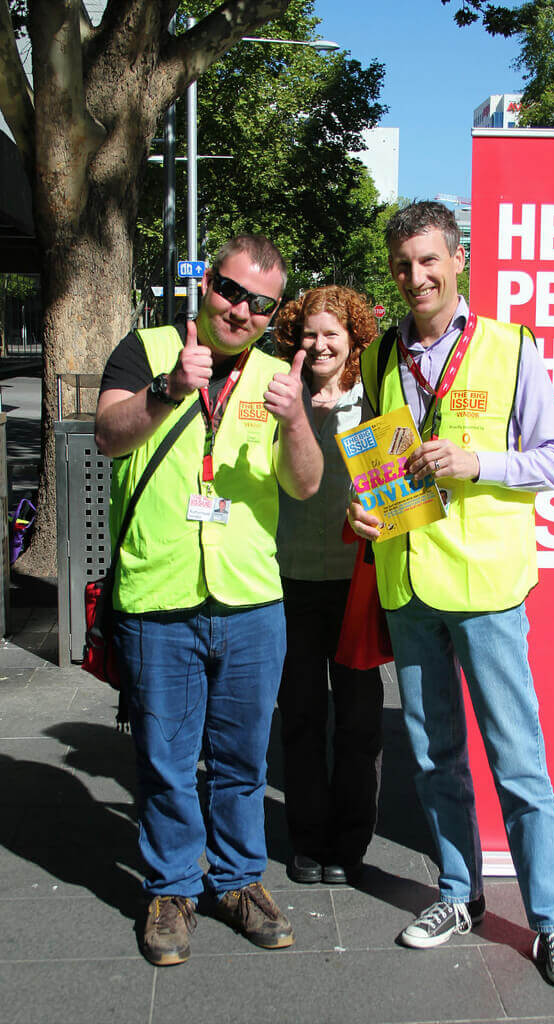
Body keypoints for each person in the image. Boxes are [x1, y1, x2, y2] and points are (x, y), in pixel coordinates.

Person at [348, 202, 554, 987]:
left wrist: (479, 464)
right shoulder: (383, 354)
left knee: (517, 761)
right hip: (408, 581)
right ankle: (459, 894)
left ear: (458, 261)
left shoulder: (510, 348)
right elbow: (384, 468)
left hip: (486, 586)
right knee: (433, 757)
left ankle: (552, 922)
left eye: (427, 260)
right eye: (400, 264)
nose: (414, 276)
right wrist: (366, 511)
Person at [94, 234, 323, 967]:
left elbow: (306, 484)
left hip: (251, 600)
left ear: (272, 314)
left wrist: (294, 421)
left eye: (261, 303)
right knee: (164, 758)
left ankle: (237, 881)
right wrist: (165, 389)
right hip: (160, 594)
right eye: (229, 290)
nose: (239, 309)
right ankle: (168, 887)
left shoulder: (274, 378)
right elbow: (106, 435)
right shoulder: (147, 347)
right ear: (205, 283)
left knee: (241, 760)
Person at [274, 285, 384, 886]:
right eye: (310, 333)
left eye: (331, 335)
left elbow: (393, 488)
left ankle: (351, 841)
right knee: (301, 714)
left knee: (359, 719)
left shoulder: (369, 403)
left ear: (353, 340)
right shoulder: (281, 394)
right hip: (289, 577)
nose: (319, 344)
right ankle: (307, 838)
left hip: (354, 585)